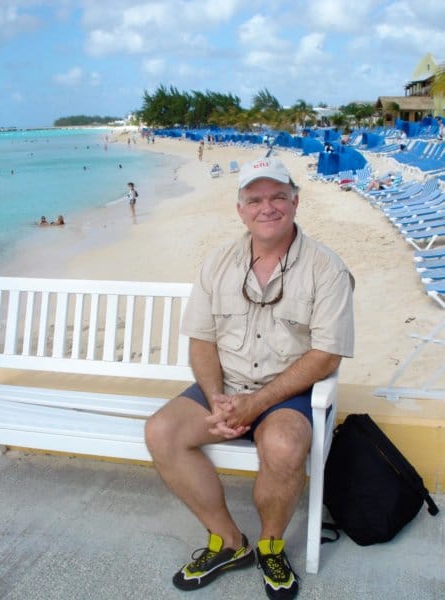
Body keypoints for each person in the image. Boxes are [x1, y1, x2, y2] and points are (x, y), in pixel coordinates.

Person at [146, 157, 354, 599]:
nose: (268, 207)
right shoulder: (218, 262)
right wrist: (218, 397)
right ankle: (228, 542)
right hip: (226, 390)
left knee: (283, 445)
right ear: (240, 210)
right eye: (255, 199)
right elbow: (201, 342)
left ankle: (271, 545)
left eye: (278, 196)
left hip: (288, 393)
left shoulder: (326, 268)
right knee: (161, 431)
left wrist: (256, 405)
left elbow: (326, 355)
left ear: (296, 202)